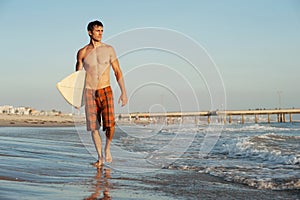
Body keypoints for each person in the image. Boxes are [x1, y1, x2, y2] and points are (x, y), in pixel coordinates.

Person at [75, 20, 127, 167]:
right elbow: (77, 77)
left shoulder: (109, 49)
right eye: (98, 31)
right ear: (90, 32)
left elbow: (117, 71)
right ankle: (100, 158)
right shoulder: (82, 52)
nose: (100, 33)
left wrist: (123, 92)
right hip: (89, 92)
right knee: (94, 127)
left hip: (106, 89)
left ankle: (107, 148)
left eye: (102, 31)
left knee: (110, 125)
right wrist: (76, 99)